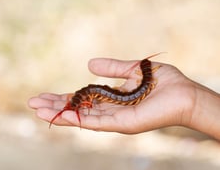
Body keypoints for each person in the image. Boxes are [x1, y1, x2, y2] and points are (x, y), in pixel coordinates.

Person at [28, 57, 220, 140]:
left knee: (125, 96)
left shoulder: (147, 84)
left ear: (146, 72)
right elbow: (111, 93)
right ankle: (75, 104)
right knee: (109, 93)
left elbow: (136, 94)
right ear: (149, 71)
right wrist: (193, 104)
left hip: (122, 96)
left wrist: (193, 104)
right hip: (94, 94)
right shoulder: (147, 80)